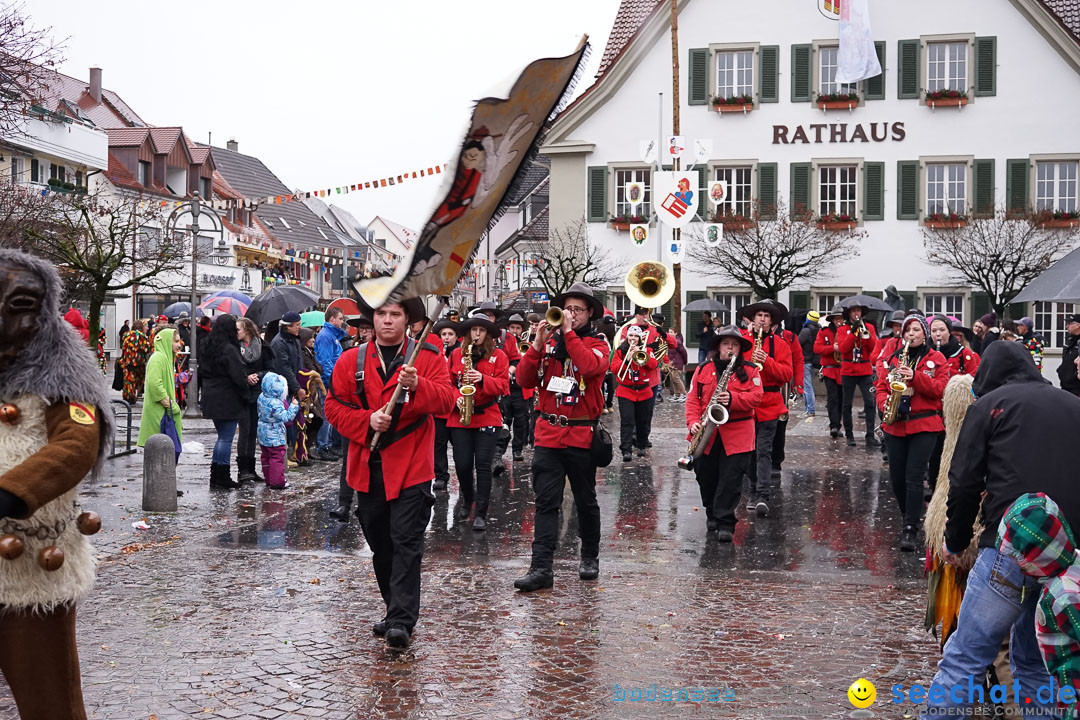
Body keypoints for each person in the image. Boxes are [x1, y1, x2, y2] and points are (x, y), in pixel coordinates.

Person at [922, 341, 1080, 716]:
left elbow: (962, 483)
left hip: (1008, 549)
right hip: (1063, 555)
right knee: (1038, 664)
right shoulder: (1075, 407)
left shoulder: (988, 406)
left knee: (965, 657)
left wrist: (954, 541)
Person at [0, 247, 113, 720]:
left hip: (30, 566)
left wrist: (13, 490)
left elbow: (76, 443)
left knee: (50, 698)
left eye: (22, 307)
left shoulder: (62, 376)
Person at [324, 297, 456, 649]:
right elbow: (333, 407)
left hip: (412, 464)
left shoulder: (426, 356)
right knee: (380, 543)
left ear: (407, 320)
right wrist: (365, 420)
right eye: (381, 314)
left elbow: (447, 401)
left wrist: (418, 386)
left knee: (406, 541)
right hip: (367, 465)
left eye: (394, 314)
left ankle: (401, 619)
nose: (386, 321)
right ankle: (392, 606)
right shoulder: (351, 359)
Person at [514, 283, 608, 593]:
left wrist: (568, 334)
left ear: (589, 313)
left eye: (577, 310)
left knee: (585, 500)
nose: (570, 315)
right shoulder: (550, 343)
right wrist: (537, 344)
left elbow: (589, 367)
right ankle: (541, 568)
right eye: (567, 310)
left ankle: (590, 556)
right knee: (545, 504)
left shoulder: (598, 343)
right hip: (548, 434)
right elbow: (525, 380)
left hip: (581, 434)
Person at [874, 314, 949, 551]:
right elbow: (881, 387)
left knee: (914, 476)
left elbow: (940, 389)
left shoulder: (936, 358)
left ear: (924, 334)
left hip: (925, 424)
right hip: (896, 423)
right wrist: (885, 402)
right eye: (908, 331)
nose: (911, 334)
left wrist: (915, 377)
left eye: (916, 330)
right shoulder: (894, 358)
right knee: (897, 479)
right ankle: (910, 515)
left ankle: (910, 528)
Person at [685, 327, 763, 541]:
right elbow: (692, 400)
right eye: (726, 343)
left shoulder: (751, 370)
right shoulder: (702, 369)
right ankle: (711, 511)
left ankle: (725, 523)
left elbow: (757, 397)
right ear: (718, 346)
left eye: (735, 344)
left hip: (737, 434)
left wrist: (734, 399)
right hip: (706, 432)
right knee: (706, 476)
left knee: (730, 479)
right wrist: (692, 422)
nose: (730, 348)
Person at [447, 315, 509, 530]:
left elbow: (503, 386)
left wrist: (482, 379)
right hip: (460, 416)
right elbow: (446, 382)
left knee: (483, 465)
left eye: (481, 331)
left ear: (488, 334)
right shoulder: (456, 354)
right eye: (473, 330)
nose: (477, 334)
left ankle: (481, 511)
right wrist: (455, 396)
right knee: (463, 465)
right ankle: (467, 499)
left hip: (487, 415)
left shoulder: (499, 356)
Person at [739, 299, 792, 517]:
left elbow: (786, 374)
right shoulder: (742, 342)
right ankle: (752, 489)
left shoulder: (780, 345)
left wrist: (767, 361)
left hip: (770, 403)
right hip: (747, 403)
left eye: (766, 316)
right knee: (749, 451)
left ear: (772, 322)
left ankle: (762, 494)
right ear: (752, 319)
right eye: (759, 315)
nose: (762, 319)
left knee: (764, 451)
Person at [200, 315, 259, 490]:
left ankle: (216, 475)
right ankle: (222, 475)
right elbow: (238, 376)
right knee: (225, 438)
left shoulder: (205, 346)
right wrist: (246, 392)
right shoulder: (229, 349)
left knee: (221, 438)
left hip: (211, 396)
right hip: (227, 397)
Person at [611, 324, 660, 463]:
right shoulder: (620, 351)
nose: (633, 339)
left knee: (642, 420)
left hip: (644, 390)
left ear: (639, 338)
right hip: (626, 390)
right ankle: (626, 450)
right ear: (627, 337)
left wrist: (642, 355)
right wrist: (627, 359)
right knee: (627, 421)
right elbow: (614, 369)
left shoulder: (647, 349)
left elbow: (654, 365)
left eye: (636, 336)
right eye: (631, 336)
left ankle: (641, 446)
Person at [837, 302, 880, 447]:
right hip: (848, 370)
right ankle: (849, 435)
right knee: (847, 404)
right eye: (854, 311)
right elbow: (843, 348)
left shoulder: (869, 327)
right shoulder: (843, 329)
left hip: (865, 370)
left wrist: (865, 333)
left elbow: (873, 347)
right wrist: (852, 333)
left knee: (870, 402)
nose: (856, 313)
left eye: (858, 311)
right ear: (849, 313)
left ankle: (870, 435)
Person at [237, 317, 273, 484]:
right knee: (244, 431)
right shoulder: (235, 348)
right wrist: (245, 377)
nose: (236, 332)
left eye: (238, 329)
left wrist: (257, 375)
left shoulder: (262, 346)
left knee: (253, 432)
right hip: (242, 393)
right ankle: (242, 470)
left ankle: (251, 469)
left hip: (258, 393)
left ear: (248, 330)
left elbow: (270, 369)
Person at [137, 327, 184, 454]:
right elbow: (154, 384)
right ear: (167, 341)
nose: (179, 345)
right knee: (162, 452)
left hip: (162, 412)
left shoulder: (166, 358)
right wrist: (170, 404)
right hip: (160, 414)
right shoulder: (158, 358)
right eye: (176, 341)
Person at [428, 318, 461, 495]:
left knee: (458, 444)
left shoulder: (461, 353)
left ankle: (463, 473)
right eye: (443, 335)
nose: (446, 338)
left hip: (456, 408)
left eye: (450, 334)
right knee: (438, 444)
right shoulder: (436, 353)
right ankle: (440, 476)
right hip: (440, 408)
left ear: (456, 337)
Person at [313, 307, 350, 461]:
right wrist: (332, 381)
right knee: (326, 414)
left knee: (332, 414)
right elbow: (325, 361)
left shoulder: (331, 335)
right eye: (340, 318)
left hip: (334, 379)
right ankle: (323, 446)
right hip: (328, 381)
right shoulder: (326, 336)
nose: (342, 321)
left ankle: (331, 444)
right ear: (332, 319)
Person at [271, 311, 306, 469]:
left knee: (294, 420)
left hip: (292, 385)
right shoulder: (279, 343)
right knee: (286, 421)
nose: (299, 328)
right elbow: (284, 368)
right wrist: (296, 387)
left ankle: (294, 452)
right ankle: (285, 454)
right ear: (288, 327)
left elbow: (297, 364)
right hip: (283, 388)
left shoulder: (294, 340)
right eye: (297, 325)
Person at [770, 308, 803, 476]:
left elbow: (798, 361)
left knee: (780, 425)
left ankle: (776, 461)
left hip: (782, 386)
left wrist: (798, 385)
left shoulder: (790, 337)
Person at [496, 313, 532, 464]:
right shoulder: (504, 342)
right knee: (505, 419)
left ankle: (517, 449)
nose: (515, 330)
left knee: (521, 421)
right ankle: (500, 449)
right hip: (506, 387)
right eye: (512, 327)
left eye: (518, 328)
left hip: (520, 388)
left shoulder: (525, 343)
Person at [257, 372, 299, 489]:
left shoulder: (262, 397)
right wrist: (294, 406)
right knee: (276, 456)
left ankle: (269, 479)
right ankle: (277, 482)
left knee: (266, 456)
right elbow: (286, 417)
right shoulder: (275, 403)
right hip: (274, 433)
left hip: (262, 432)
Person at [813, 306, 844, 437]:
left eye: (841, 319)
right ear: (832, 320)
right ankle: (834, 426)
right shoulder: (824, 332)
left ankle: (839, 425)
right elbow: (817, 348)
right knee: (832, 399)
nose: (839, 321)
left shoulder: (847, 331)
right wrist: (833, 348)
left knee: (842, 399)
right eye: (836, 319)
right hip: (830, 370)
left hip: (843, 370)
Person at [119, 319, 151, 404]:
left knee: (129, 380)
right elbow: (147, 349)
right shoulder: (143, 336)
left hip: (128, 362)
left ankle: (128, 397)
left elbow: (123, 347)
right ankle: (137, 394)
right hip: (139, 363)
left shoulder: (126, 335)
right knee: (138, 379)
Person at [798, 311, 820, 418]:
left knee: (807, 386)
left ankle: (810, 410)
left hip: (805, 361)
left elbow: (797, 343)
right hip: (814, 361)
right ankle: (809, 409)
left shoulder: (806, 331)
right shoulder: (818, 330)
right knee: (809, 385)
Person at [597, 315, 617, 414]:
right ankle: (602, 405)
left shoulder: (613, 339)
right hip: (603, 367)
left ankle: (609, 404)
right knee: (601, 388)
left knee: (611, 388)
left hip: (610, 366)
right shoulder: (600, 336)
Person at [1059, 313, 1080, 397]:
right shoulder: (1070, 340)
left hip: (1076, 388)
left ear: (1078, 325)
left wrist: (1074, 376)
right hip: (1066, 386)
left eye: (1069, 323)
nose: (1066, 326)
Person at [669, 329, 688, 402]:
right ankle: (677, 394)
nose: (669, 333)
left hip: (678, 362)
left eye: (671, 332)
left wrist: (685, 362)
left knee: (676, 378)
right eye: (669, 332)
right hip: (672, 363)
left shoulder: (678, 342)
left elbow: (684, 352)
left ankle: (684, 394)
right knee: (673, 379)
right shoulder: (670, 341)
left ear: (675, 333)